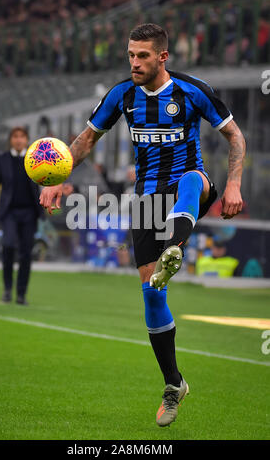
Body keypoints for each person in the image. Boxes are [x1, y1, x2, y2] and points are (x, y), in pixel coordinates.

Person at [39, 23, 245, 427]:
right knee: (152, 295)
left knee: (189, 178)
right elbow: (85, 140)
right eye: (131, 55)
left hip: (191, 188)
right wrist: (60, 177)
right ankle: (174, 384)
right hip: (148, 201)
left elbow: (235, 137)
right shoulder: (122, 94)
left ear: (162, 57)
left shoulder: (192, 90)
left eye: (143, 56)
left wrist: (234, 184)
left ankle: (176, 246)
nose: (135, 62)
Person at [0, 127, 44, 305]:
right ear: (11, 140)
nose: (19, 140)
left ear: (27, 140)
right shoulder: (2, 160)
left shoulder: (36, 159)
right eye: (15, 137)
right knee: (8, 246)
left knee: (26, 254)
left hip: (30, 212)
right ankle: (7, 290)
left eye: (22, 137)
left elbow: (48, 179)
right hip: (9, 212)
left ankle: (21, 294)